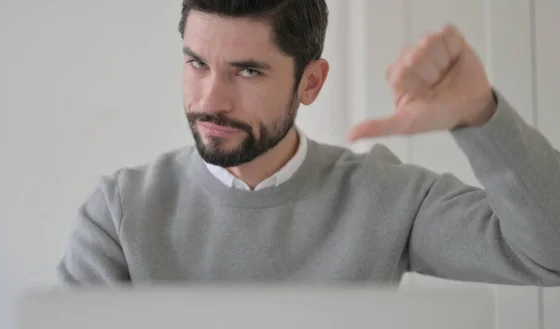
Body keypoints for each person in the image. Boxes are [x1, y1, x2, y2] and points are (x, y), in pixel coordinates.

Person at [57, 0, 560, 286]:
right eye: (196, 64)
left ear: (311, 83)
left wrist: (481, 118)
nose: (211, 99)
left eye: (247, 71)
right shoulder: (120, 213)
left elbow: (550, 255)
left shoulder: (383, 195)